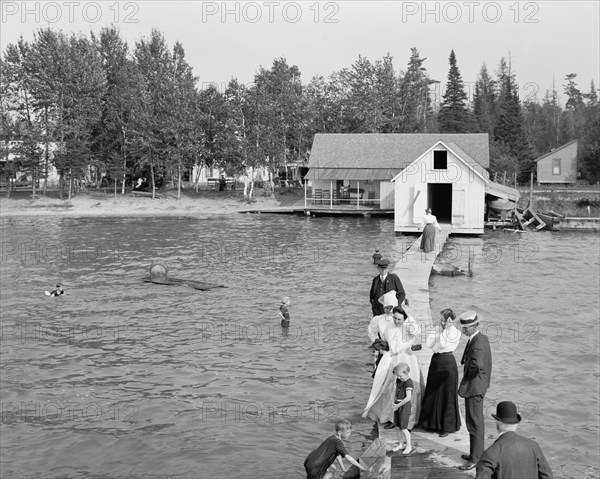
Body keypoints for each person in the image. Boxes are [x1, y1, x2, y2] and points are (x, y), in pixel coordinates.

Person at [363, 304, 423, 430]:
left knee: (409, 388)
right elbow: (385, 339)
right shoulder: (390, 325)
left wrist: (410, 317)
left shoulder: (408, 326)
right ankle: (391, 417)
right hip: (394, 358)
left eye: (399, 319)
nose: (396, 321)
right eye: (395, 318)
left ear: (404, 319)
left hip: (407, 358)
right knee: (391, 388)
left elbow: (418, 332)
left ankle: (409, 420)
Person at [476, 401, 553, 479]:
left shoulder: (491, 453)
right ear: (516, 424)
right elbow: (547, 475)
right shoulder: (533, 446)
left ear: (498, 422)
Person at [418, 308, 462, 437]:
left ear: (449, 320)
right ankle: (430, 423)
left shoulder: (454, 331)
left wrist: (445, 330)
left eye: (443, 320)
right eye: (440, 320)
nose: (440, 322)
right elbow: (429, 343)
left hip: (447, 361)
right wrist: (439, 330)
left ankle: (446, 426)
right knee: (432, 391)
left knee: (447, 394)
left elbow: (442, 343)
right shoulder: (439, 329)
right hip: (436, 360)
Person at [458, 310, 492, 471]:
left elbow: (476, 366)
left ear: (474, 326)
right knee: (475, 421)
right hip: (478, 385)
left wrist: (467, 379)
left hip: (475, 387)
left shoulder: (477, 344)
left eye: (466, 327)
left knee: (474, 423)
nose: (463, 330)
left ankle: (476, 459)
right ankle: (474, 453)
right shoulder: (481, 338)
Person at [303, 419, 368, 479]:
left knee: (333, 467)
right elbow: (348, 457)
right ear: (339, 433)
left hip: (309, 461)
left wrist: (343, 468)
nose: (349, 434)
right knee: (330, 473)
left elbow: (337, 455)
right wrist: (361, 467)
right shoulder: (338, 442)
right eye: (347, 433)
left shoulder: (332, 438)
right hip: (316, 466)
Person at [391, 363, 413, 454]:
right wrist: (394, 402)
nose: (399, 377)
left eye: (400, 375)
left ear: (406, 373)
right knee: (397, 426)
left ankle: (409, 446)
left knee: (404, 428)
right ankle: (401, 444)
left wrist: (397, 405)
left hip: (404, 406)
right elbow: (396, 391)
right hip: (397, 404)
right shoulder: (399, 380)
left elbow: (408, 398)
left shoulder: (408, 382)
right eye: (397, 375)